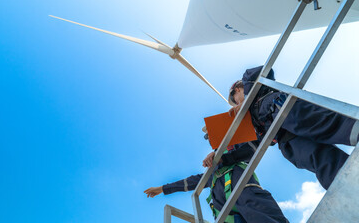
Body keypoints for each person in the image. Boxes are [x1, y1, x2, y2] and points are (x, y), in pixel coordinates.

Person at [228, 65, 358, 190]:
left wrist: (247, 98)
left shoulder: (254, 82)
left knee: (335, 126)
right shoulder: (251, 119)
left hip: (288, 109)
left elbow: (265, 70)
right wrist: (221, 158)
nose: (238, 104)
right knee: (324, 161)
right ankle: (351, 188)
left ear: (237, 90)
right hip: (288, 140)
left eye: (236, 100)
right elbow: (251, 147)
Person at [144, 133, 289, 223]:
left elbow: (254, 144)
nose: (209, 137)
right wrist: (163, 188)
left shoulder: (236, 149)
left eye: (210, 133)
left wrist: (222, 157)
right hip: (226, 216)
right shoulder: (212, 174)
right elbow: (192, 182)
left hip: (246, 194)